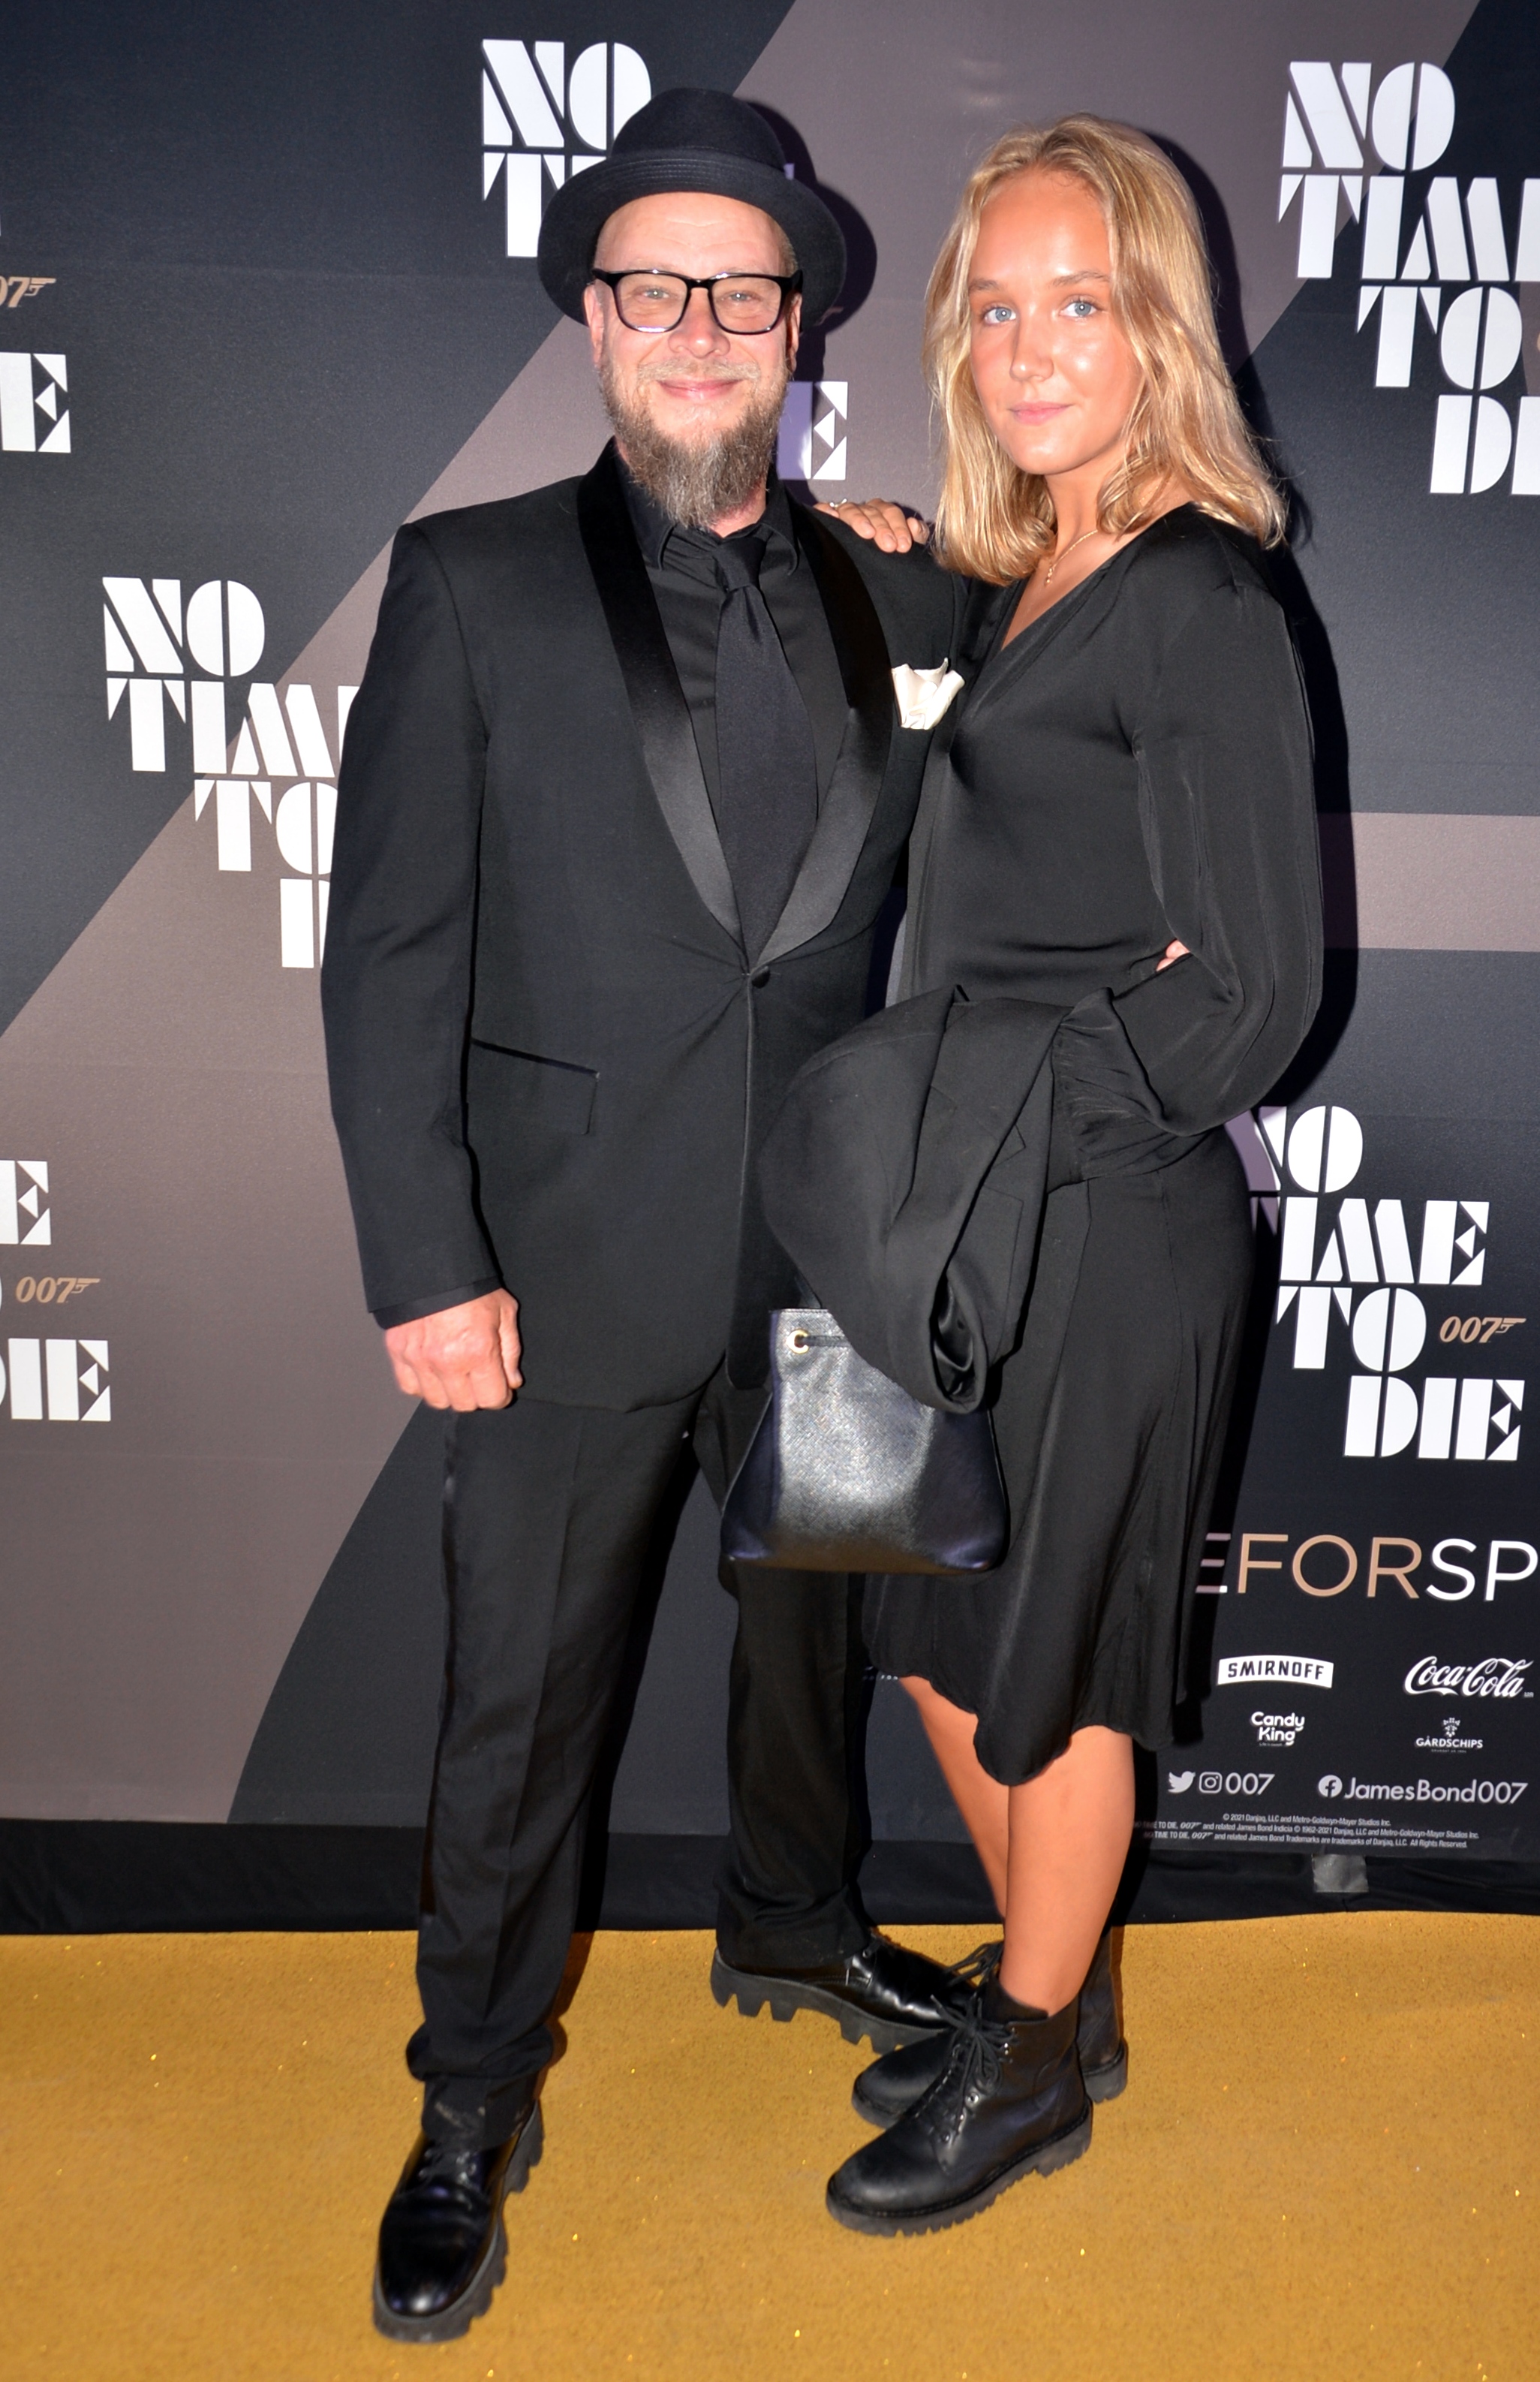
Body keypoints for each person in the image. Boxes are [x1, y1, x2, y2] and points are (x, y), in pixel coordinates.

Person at [320, 86, 972, 2345]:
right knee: (519, 1706)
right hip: (560, 1263)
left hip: (830, 1262)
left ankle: (792, 1920)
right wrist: (427, 1263)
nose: (697, 324)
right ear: (595, 322)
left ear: (799, 329)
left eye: (740, 290)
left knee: (812, 1641)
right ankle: (469, 2095)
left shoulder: (909, 586)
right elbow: (389, 955)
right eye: (652, 286)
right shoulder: (472, 579)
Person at [805, 116, 1322, 2234]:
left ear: (1156, 327)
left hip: (1093, 1222)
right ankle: (1059, 1999)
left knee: (1051, 1662)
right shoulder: (1034, 579)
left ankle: (1026, 2058)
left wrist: (1017, 1129)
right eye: (993, 308)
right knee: (927, 1622)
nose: (1027, 347)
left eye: (1077, 303)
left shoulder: (1201, 596)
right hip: (944, 1213)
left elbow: (1257, 991)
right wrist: (884, 551)